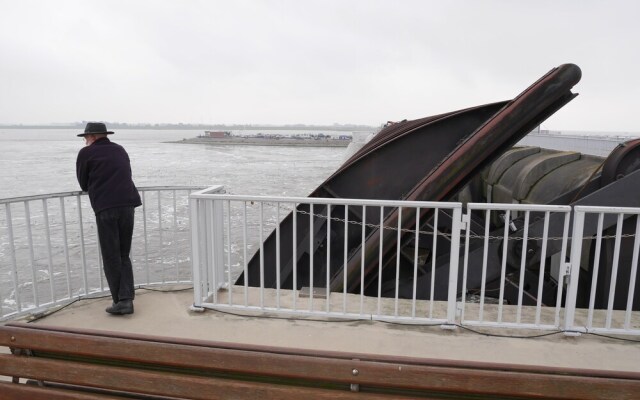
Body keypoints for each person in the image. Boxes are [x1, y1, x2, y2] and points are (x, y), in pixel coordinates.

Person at [76, 122, 142, 315]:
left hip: (106, 207)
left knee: (111, 255)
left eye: (85, 137)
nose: (85, 140)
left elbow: (83, 184)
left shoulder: (85, 153)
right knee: (123, 254)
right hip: (128, 204)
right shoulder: (120, 149)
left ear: (93, 137)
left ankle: (121, 301)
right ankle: (126, 298)